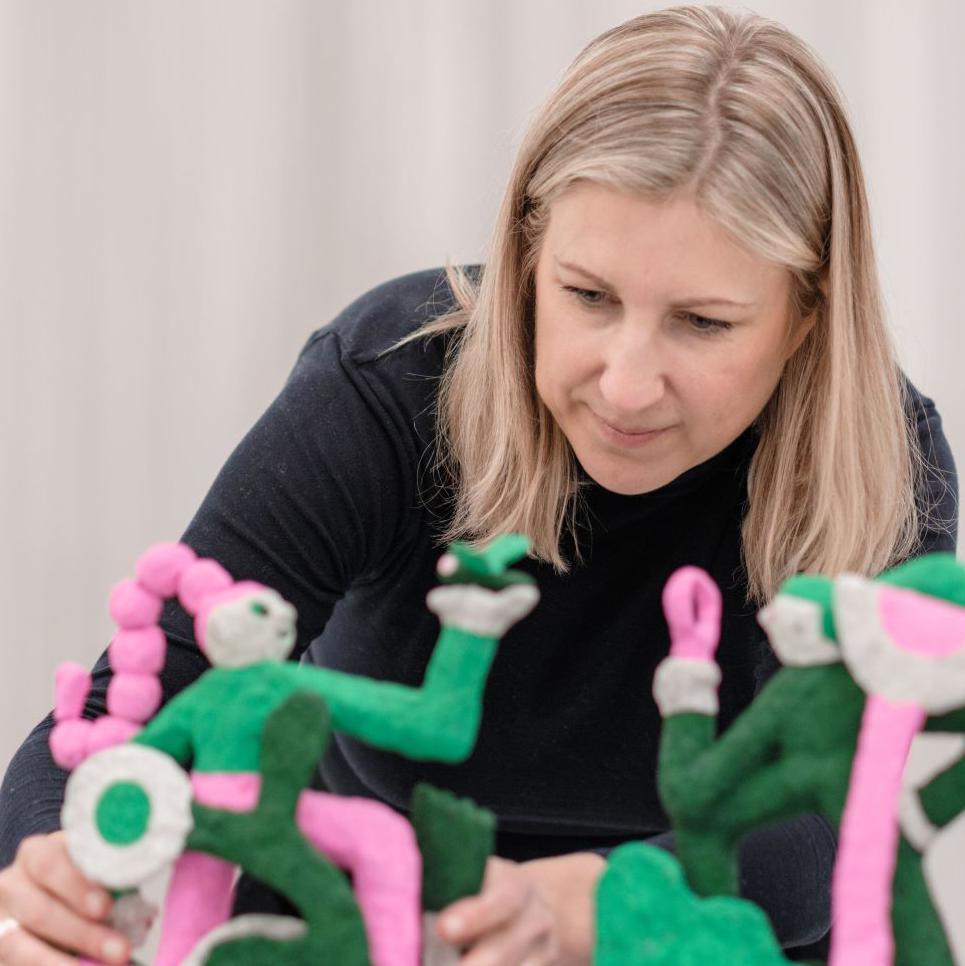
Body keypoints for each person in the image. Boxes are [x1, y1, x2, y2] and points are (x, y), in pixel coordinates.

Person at [0, 5, 958, 965]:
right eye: (587, 296)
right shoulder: (386, 387)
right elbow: (151, 684)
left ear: (805, 316)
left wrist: (580, 904)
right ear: (527, 254)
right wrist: (56, 862)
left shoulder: (881, 464)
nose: (625, 383)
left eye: (702, 323)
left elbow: (829, 825)